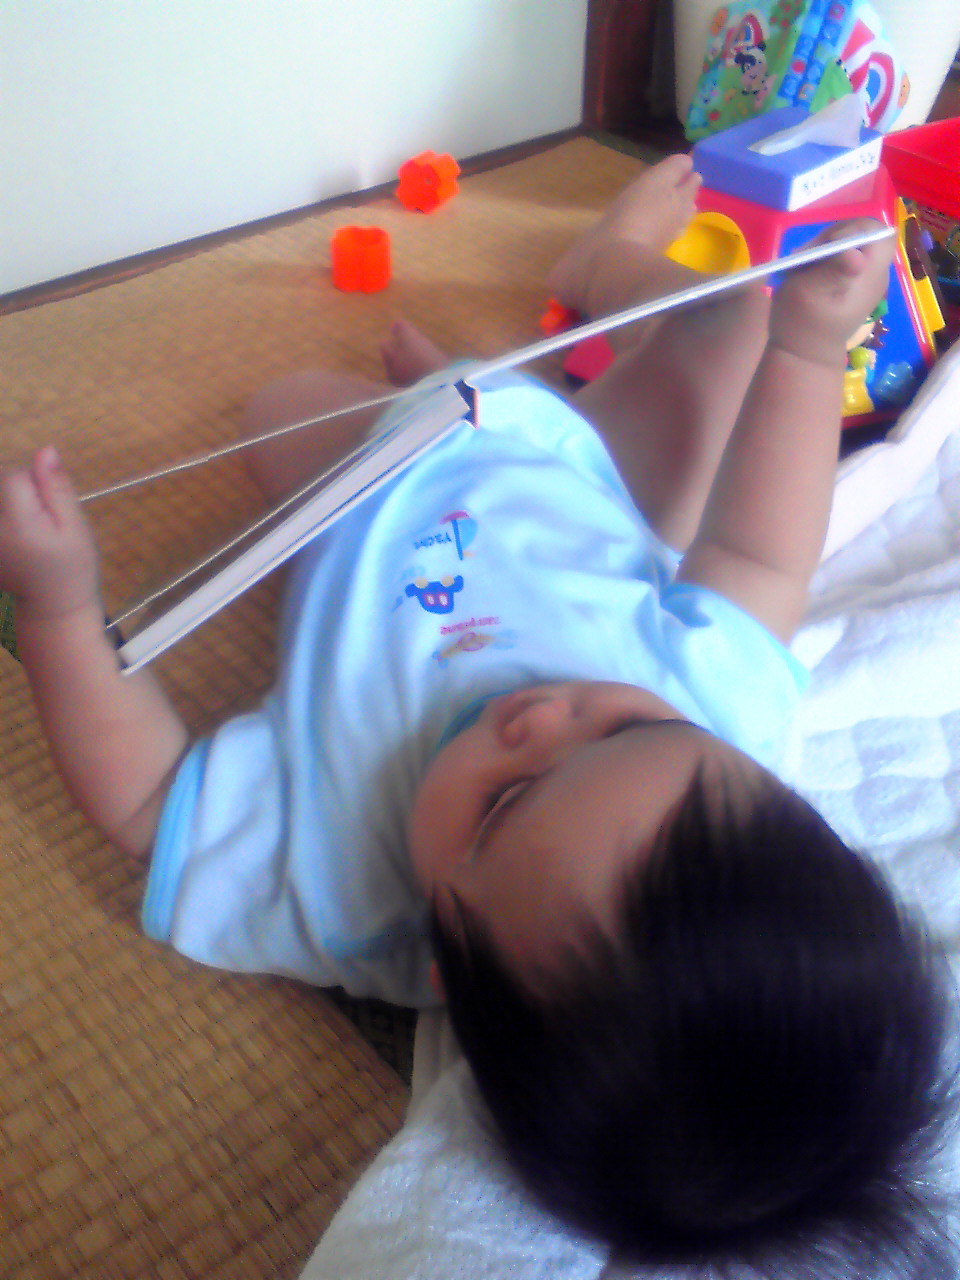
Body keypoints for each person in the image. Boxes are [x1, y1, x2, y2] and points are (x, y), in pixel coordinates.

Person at [0, 154, 954, 1270]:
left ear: (446, 966)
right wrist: (810, 348)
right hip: (579, 467)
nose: (539, 720)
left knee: (277, 409)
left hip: (364, 486)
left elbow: (148, 802)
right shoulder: (722, 724)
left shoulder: (340, 885)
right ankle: (600, 263)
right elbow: (756, 548)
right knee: (734, 323)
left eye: (504, 803)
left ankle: (446, 384)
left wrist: (58, 607)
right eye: (626, 727)